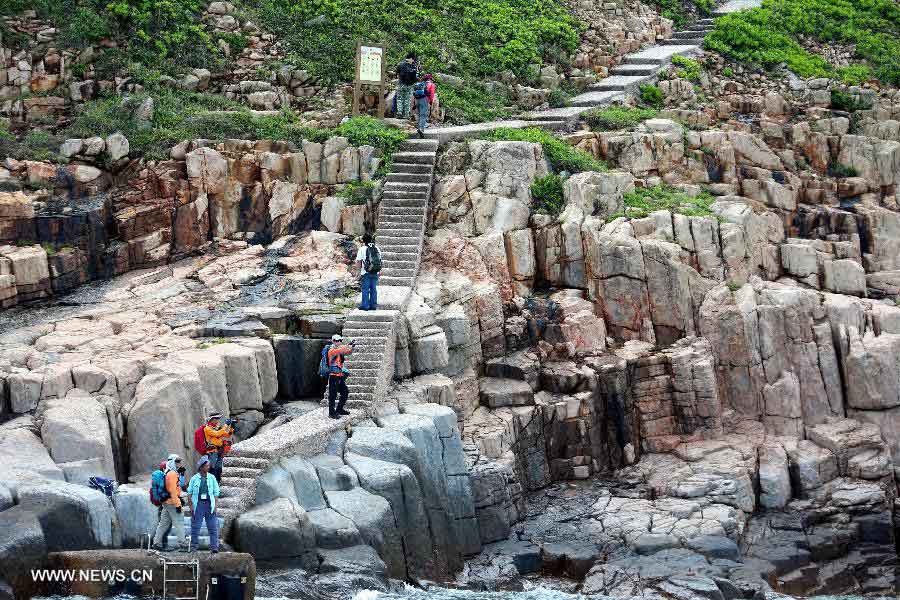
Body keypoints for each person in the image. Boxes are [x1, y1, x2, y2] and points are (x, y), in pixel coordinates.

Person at [152, 454, 188, 552]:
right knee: (179, 522)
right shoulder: (172, 474)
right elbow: (172, 491)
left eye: (179, 461)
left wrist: (181, 475)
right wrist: (178, 505)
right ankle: (183, 544)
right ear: (172, 461)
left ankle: (156, 543)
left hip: (167, 502)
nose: (179, 463)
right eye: (177, 461)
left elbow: (178, 486)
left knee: (163, 523)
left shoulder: (169, 472)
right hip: (172, 502)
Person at [187, 456, 221, 553]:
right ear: (201, 467)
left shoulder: (212, 478)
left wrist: (215, 506)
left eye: (208, 465)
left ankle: (214, 547)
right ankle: (194, 547)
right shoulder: (194, 478)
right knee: (195, 527)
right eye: (206, 466)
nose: (208, 467)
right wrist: (191, 507)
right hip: (198, 504)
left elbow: (216, 493)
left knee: (213, 526)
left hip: (209, 504)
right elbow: (189, 493)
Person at [326, 334, 355, 419]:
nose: (338, 342)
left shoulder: (339, 350)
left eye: (339, 340)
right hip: (333, 376)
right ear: (333, 341)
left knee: (345, 392)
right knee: (332, 395)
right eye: (336, 340)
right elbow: (340, 350)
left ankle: (339, 409)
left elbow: (347, 352)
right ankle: (331, 413)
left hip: (340, 376)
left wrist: (352, 347)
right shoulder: (331, 350)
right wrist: (348, 344)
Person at [203, 413, 234, 483]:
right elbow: (217, 434)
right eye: (216, 418)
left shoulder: (218, 428)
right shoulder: (207, 428)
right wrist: (226, 425)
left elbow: (228, 435)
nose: (218, 420)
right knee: (212, 467)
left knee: (219, 468)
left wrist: (232, 427)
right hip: (212, 451)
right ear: (211, 419)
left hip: (219, 451)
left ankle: (217, 483)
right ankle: (210, 483)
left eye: (218, 418)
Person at [355, 233, 381, 310]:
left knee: (365, 289)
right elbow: (379, 260)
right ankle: (373, 306)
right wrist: (380, 271)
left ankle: (365, 306)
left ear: (364, 240)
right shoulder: (376, 248)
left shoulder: (362, 249)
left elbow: (358, 261)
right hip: (375, 271)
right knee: (373, 289)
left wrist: (358, 272)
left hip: (365, 272)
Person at [395, 52, 419, 120]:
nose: (414, 60)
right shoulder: (413, 66)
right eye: (414, 59)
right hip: (409, 85)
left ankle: (399, 113)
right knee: (407, 100)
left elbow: (397, 72)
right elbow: (416, 77)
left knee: (399, 99)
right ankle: (406, 114)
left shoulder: (400, 64)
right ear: (411, 58)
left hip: (401, 84)